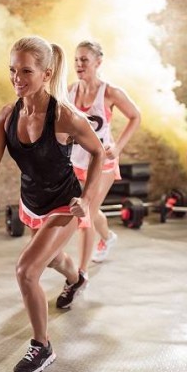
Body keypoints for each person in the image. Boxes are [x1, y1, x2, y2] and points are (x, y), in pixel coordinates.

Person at [0, 36, 104, 372]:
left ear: (47, 73)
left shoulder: (65, 117)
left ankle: (42, 347)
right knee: (53, 258)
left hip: (62, 202)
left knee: (27, 270)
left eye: (26, 71)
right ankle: (77, 278)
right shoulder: (7, 114)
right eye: (12, 70)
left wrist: (86, 201)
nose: (17, 78)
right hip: (32, 202)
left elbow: (99, 153)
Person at [68, 41, 141, 274]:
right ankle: (108, 237)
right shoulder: (69, 91)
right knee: (91, 208)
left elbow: (135, 117)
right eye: (77, 59)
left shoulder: (110, 92)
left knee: (85, 213)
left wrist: (118, 147)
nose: (79, 64)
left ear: (98, 62)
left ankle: (80, 274)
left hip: (103, 162)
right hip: (76, 161)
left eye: (84, 60)